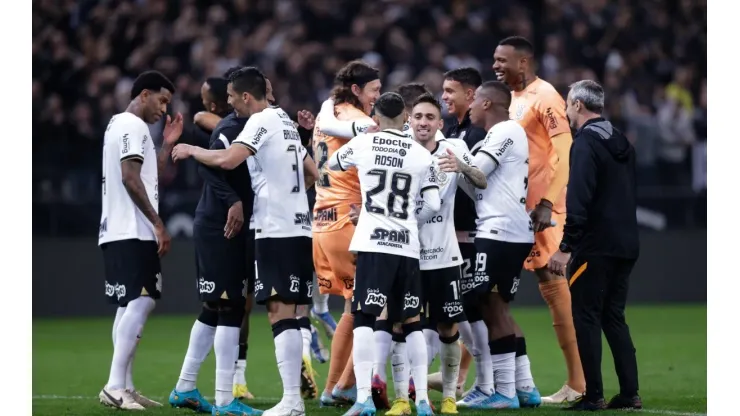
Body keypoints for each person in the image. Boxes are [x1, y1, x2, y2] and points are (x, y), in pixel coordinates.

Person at [172, 67, 319, 416]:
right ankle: (286, 399)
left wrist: (191, 149)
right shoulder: (284, 121)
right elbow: (312, 174)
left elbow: (226, 159)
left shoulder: (258, 122)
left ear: (247, 97)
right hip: (300, 227)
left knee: (278, 314)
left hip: (274, 229)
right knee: (292, 313)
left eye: (234, 99)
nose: (231, 105)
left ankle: (291, 402)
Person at [327, 92, 440, 416]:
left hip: (373, 243)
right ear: (406, 118)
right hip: (406, 244)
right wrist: (404, 220)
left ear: (375, 118)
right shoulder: (421, 154)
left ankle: (363, 399)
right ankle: (421, 404)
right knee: (412, 321)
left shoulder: (364, 143)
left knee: (364, 317)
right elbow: (431, 204)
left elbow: (334, 163)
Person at [383, 93, 485, 416]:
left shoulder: (454, 150)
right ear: (408, 121)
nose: (423, 123)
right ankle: (402, 399)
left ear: (440, 124)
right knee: (401, 325)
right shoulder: (398, 151)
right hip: (407, 254)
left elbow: (482, 182)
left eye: (430, 118)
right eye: (418, 117)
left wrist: (462, 166)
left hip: (444, 256)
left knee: (447, 327)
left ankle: (449, 398)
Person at [493, 35, 581, 405]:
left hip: (541, 210)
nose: (496, 66)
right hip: (513, 207)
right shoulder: (511, 99)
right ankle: (466, 375)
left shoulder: (546, 97)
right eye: (494, 60)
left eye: (502, 60)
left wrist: (547, 202)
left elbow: (565, 150)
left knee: (550, 280)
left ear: (523, 62)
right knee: (489, 288)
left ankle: (578, 382)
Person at [167, 75, 261, 415]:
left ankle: (185, 388)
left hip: (231, 224)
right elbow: (209, 166)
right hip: (218, 224)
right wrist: (233, 200)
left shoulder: (255, 126)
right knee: (230, 307)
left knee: (213, 308)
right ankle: (225, 400)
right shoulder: (231, 126)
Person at [548, 80, 641, 411]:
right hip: (627, 243)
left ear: (576, 105)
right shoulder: (621, 140)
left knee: (586, 316)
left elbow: (579, 197)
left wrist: (566, 245)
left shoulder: (585, 142)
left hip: (595, 246)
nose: (566, 112)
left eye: (568, 105)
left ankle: (594, 395)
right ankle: (630, 393)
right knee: (613, 316)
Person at [97, 70, 182, 410]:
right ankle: (115, 384)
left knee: (129, 303)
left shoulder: (120, 125)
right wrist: (158, 224)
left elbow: (147, 175)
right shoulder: (132, 125)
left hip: (117, 228)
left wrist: (167, 146)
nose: (164, 109)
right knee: (142, 301)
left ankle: (125, 386)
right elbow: (130, 178)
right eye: (162, 100)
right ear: (144, 94)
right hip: (131, 229)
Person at [462, 81, 538, 409]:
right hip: (506, 230)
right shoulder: (503, 134)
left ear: (489, 103)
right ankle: (524, 387)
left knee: (490, 307)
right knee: (497, 308)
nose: (470, 107)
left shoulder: (504, 130)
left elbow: (477, 174)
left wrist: (451, 158)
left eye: (475, 101)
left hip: (500, 231)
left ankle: (504, 393)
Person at [312, 60, 381, 407]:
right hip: (347, 220)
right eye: (374, 91)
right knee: (372, 305)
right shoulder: (364, 123)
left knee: (353, 306)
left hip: (322, 220)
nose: (377, 97)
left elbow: (325, 114)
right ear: (356, 90)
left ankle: (333, 389)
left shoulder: (328, 113)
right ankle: (343, 385)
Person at [438, 67, 491, 408]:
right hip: (452, 235)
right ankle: (463, 381)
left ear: (470, 95)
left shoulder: (474, 135)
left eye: (450, 91)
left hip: (469, 234)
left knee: (473, 311)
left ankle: (487, 384)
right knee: (459, 312)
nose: (445, 96)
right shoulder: (455, 130)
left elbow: (479, 184)